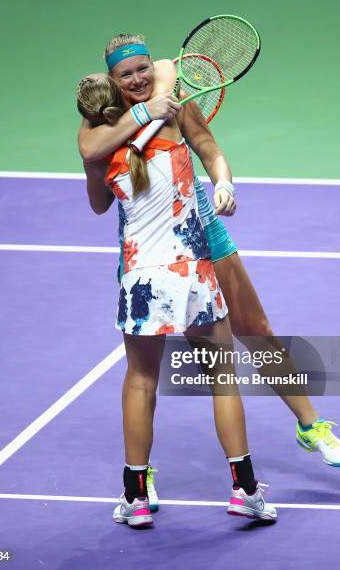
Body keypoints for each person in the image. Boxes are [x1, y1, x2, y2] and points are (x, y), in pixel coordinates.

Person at [77, 34, 340, 477]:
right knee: (158, 371)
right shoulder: (103, 125)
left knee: (255, 328)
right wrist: (139, 117)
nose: (138, 78)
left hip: (203, 230)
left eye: (142, 68)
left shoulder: (173, 96)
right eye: (125, 74)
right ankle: (143, 474)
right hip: (148, 249)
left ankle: (311, 424)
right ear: (112, 81)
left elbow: (208, 148)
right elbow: (93, 171)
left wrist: (223, 182)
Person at [77, 72, 277, 527]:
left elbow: (96, 204)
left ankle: (136, 496)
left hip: (141, 282)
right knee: (223, 379)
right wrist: (154, 112)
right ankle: (245, 490)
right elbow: (166, 72)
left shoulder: (99, 151)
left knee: (141, 381)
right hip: (192, 276)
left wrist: (113, 140)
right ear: (122, 91)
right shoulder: (171, 128)